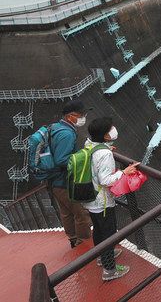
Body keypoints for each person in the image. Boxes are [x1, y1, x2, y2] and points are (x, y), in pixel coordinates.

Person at [84, 117, 138, 281]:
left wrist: (106, 148)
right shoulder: (105, 154)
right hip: (102, 202)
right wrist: (124, 172)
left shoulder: (89, 144)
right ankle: (110, 270)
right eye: (110, 128)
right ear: (106, 136)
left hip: (90, 199)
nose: (113, 129)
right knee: (108, 234)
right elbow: (105, 180)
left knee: (99, 230)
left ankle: (102, 257)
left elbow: (95, 160)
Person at [48, 100, 93, 249]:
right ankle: (86, 245)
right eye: (81, 115)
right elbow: (61, 160)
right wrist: (84, 154)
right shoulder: (67, 134)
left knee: (66, 212)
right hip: (64, 182)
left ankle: (74, 240)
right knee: (82, 214)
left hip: (54, 180)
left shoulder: (57, 127)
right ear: (70, 116)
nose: (83, 117)